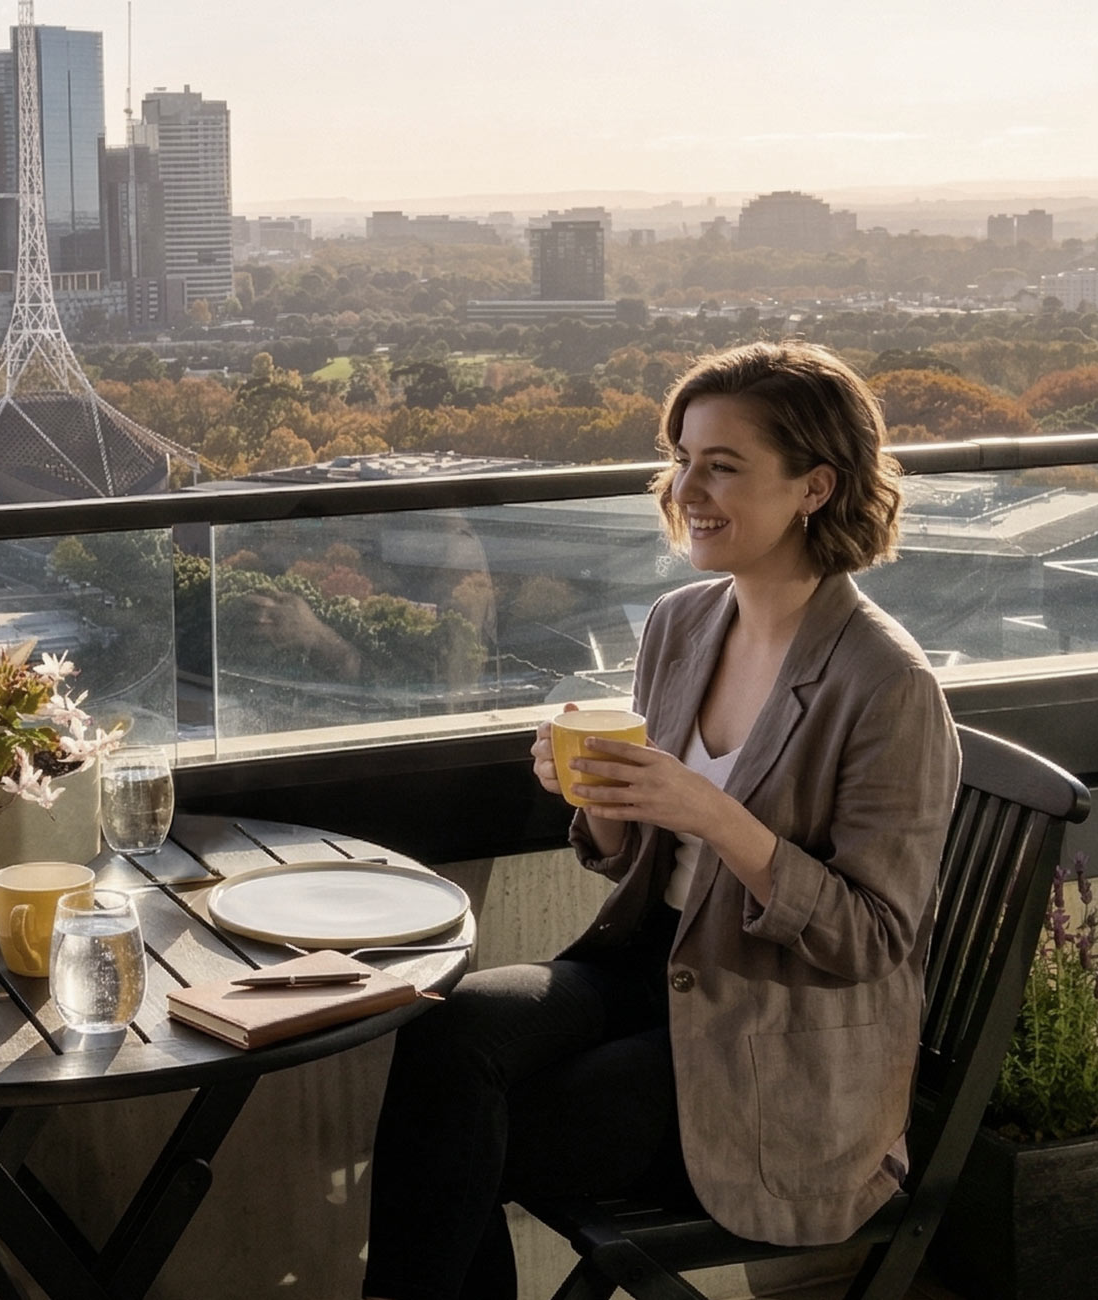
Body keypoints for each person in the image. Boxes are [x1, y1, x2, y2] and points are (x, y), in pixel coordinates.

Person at [363, 341, 960, 1300]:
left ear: (816, 486)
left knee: (481, 1131)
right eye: (682, 457)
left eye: (723, 466)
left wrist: (719, 818)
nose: (687, 488)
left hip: (775, 1027)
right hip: (650, 963)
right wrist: (604, 808)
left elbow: (872, 940)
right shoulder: (682, 622)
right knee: (447, 1034)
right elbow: (626, 865)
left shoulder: (886, 687)